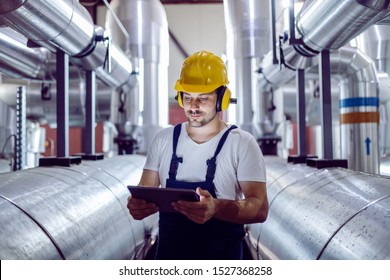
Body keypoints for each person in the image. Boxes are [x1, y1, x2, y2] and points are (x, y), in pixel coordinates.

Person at [127, 50, 268, 260]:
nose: (193, 106)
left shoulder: (241, 143)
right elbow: (145, 191)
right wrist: (138, 206)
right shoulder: (163, 139)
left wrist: (216, 207)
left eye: (203, 98)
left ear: (222, 99)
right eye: (188, 97)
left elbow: (259, 209)